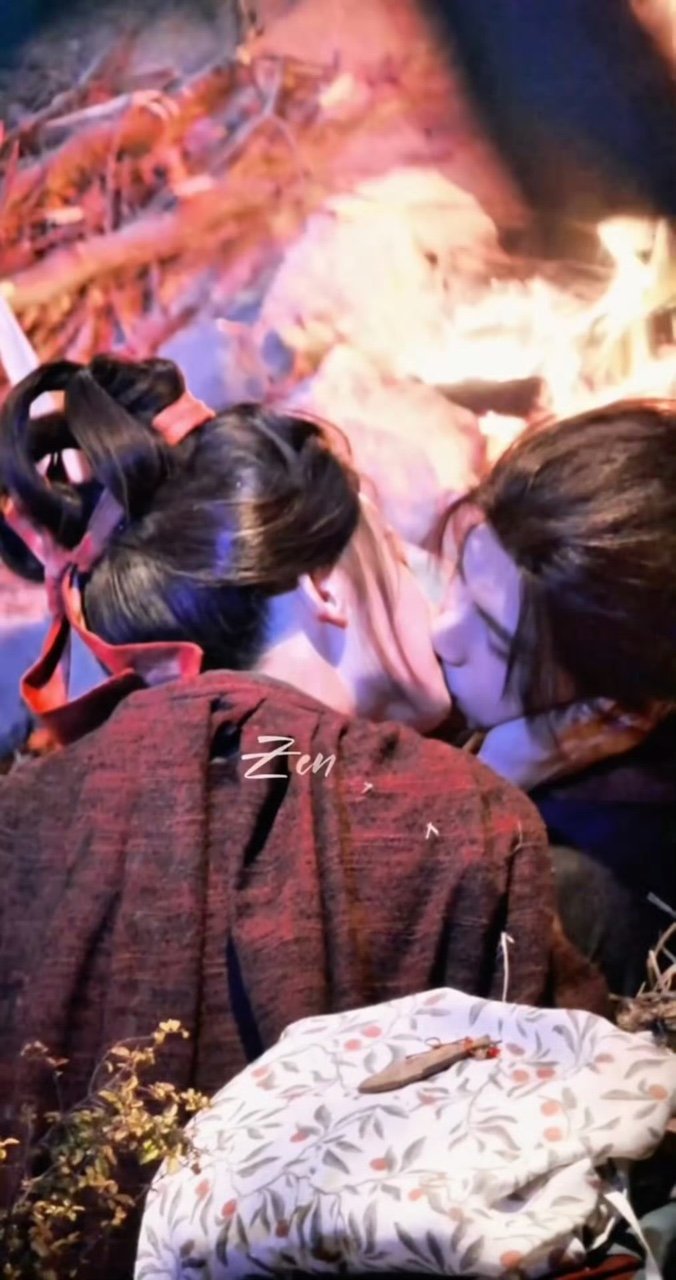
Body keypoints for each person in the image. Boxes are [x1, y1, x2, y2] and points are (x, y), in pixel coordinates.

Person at [0, 355, 605, 1265]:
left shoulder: (29, 815)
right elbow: (572, 1170)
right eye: (396, 550)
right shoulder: (453, 817)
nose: (436, 609)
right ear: (324, 586)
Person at [431, 399, 676, 993]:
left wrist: (486, 786)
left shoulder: (575, 891)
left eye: (493, 636)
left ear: (612, 701)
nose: (443, 632)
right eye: (459, 574)